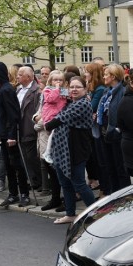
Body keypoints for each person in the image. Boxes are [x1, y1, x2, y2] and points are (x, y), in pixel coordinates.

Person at [45, 76, 97, 224]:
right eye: (71, 87)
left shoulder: (83, 104)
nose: (74, 90)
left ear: (85, 89)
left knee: (79, 183)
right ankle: (70, 214)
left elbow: (55, 121)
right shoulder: (69, 103)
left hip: (76, 150)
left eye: (78, 87)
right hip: (62, 150)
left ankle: (95, 214)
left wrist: (46, 121)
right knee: (65, 183)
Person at [0, 61, 32, 208]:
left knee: (16, 165)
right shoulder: (2, 88)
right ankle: (13, 194)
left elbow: (13, 115)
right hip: (3, 133)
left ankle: (24, 194)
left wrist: (12, 135)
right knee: (8, 166)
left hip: (9, 134)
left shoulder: (6, 90)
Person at [95, 64, 131, 194]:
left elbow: (123, 113)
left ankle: (124, 196)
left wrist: (117, 130)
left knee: (120, 168)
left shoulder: (123, 91)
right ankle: (114, 196)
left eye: (106, 74)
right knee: (110, 167)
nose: (103, 77)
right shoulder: (107, 91)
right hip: (105, 134)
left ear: (113, 76)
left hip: (116, 135)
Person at [34, 70, 68, 211]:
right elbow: (41, 110)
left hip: (56, 131)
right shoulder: (46, 92)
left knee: (58, 169)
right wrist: (36, 119)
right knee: (48, 166)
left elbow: (64, 111)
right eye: (55, 80)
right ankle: (55, 198)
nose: (58, 83)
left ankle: (64, 199)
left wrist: (40, 123)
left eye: (60, 80)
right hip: (44, 134)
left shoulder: (64, 93)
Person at [16, 66, 41, 192]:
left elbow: (38, 109)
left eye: (20, 74)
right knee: (25, 156)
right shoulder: (18, 89)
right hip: (20, 128)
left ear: (29, 77)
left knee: (32, 156)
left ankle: (39, 181)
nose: (17, 76)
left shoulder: (36, 90)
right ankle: (32, 179)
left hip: (30, 127)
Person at [84, 63, 107, 191]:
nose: (85, 74)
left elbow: (90, 108)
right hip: (92, 128)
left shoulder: (99, 89)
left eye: (87, 72)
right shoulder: (93, 88)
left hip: (97, 129)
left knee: (99, 159)